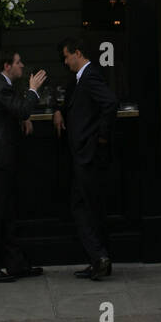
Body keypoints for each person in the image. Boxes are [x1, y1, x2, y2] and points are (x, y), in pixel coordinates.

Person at [0, 49, 46, 283]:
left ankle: (15, 265)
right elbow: (23, 108)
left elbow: (14, 111)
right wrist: (33, 90)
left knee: (6, 215)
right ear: (7, 66)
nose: (22, 65)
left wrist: (22, 118)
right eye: (18, 62)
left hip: (0, 159)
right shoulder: (1, 86)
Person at [53, 35, 118, 281]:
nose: (66, 62)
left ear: (77, 53)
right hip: (82, 155)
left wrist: (100, 139)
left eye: (67, 57)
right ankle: (98, 259)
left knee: (85, 208)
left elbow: (110, 103)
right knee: (83, 207)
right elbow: (71, 100)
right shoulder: (79, 79)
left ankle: (100, 257)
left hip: (88, 155)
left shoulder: (90, 76)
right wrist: (59, 110)